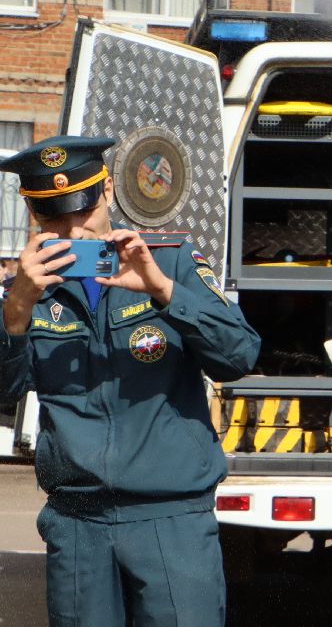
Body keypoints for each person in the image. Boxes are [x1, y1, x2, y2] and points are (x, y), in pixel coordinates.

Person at [0, 134, 261, 627]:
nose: (73, 230)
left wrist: (163, 291)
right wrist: (16, 309)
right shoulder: (26, 293)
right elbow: (4, 392)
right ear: (35, 217)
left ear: (107, 195)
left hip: (171, 517)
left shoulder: (171, 261)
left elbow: (239, 355)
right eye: (53, 217)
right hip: (78, 523)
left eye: (82, 210)